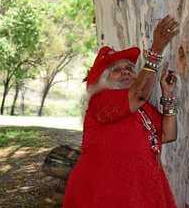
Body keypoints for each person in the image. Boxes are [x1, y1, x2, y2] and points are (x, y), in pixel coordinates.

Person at [63, 15, 179, 208]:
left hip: (142, 189)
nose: (126, 71)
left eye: (130, 68)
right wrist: (156, 50)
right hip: (108, 192)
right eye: (117, 69)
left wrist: (168, 96)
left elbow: (168, 135)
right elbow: (139, 94)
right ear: (104, 79)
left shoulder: (143, 108)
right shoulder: (101, 101)